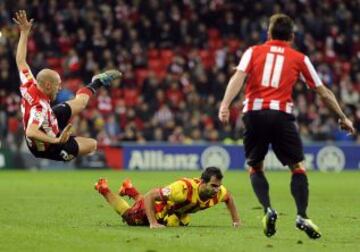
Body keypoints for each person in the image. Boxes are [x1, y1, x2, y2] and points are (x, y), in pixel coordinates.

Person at [218, 14, 356, 239]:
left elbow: (238, 77)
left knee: (255, 166)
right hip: (281, 115)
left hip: (253, 113)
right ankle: (302, 215)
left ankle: (268, 209)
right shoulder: (300, 58)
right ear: (292, 36)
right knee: (297, 167)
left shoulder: (252, 52)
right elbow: (323, 91)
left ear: (268, 33)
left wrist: (225, 105)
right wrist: (342, 116)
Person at [13, 10, 122, 161]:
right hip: (46, 146)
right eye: (57, 85)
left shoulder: (30, 83)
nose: (59, 88)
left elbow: (21, 61)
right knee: (92, 145)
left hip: (50, 119)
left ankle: (96, 81)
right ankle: (64, 150)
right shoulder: (39, 107)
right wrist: (57, 140)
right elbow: (31, 132)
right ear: (48, 86)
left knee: (81, 102)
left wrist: (24, 32)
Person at [94, 167, 240, 228]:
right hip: (157, 207)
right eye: (213, 186)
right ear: (202, 183)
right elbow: (150, 195)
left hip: (171, 211)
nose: (216, 190)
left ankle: (129, 189)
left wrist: (236, 221)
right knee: (129, 217)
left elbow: (229, 198)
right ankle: (104, 189)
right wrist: (153, 223)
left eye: (218, 186)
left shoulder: (219, 192)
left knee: (175, 221)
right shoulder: (182, 189)